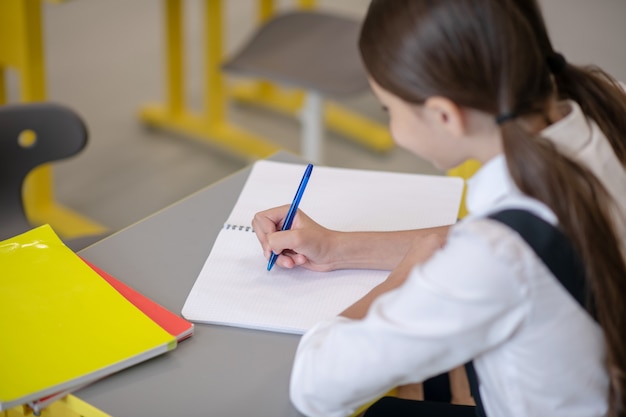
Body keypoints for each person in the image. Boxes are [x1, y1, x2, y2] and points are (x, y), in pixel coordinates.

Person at [252, 0, 626, 416]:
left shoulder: (495, 255)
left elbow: (316, 385)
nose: (393, 129)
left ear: (445, 115)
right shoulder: (604, 116)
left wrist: (395, 283)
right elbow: (511, 241)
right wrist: (337, 247)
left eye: (389, 110)